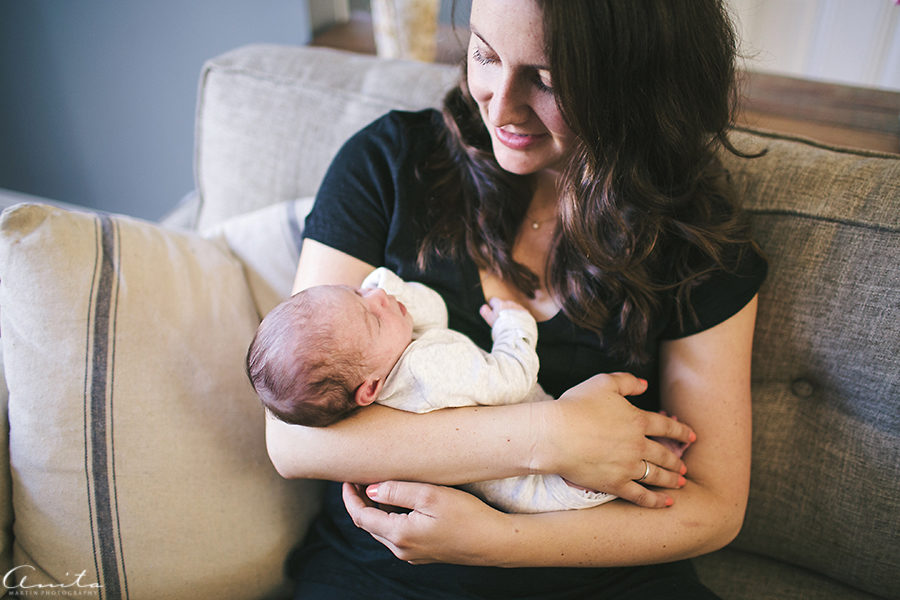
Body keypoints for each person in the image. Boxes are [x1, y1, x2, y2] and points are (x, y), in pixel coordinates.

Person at [266, 0, 768, 597]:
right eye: (485, 54)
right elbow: (295, 438)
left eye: (547, 81)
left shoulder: (694, 237)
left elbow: (714, 508)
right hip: (379, 577)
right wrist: (551, 436)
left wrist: (497, 543)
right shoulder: (390, 165)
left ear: (638, 84)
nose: (498, 106)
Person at [249, 266, 646, 513]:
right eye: (372, 317)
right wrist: (513, 326)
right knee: (615, 463)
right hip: (541, 485)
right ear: (367, 390)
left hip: (538, 463)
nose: (379, 295)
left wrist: (377, 303)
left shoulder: (384, 368)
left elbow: (431, 314)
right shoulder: (429, 369)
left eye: (357, 292)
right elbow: (513, 377)